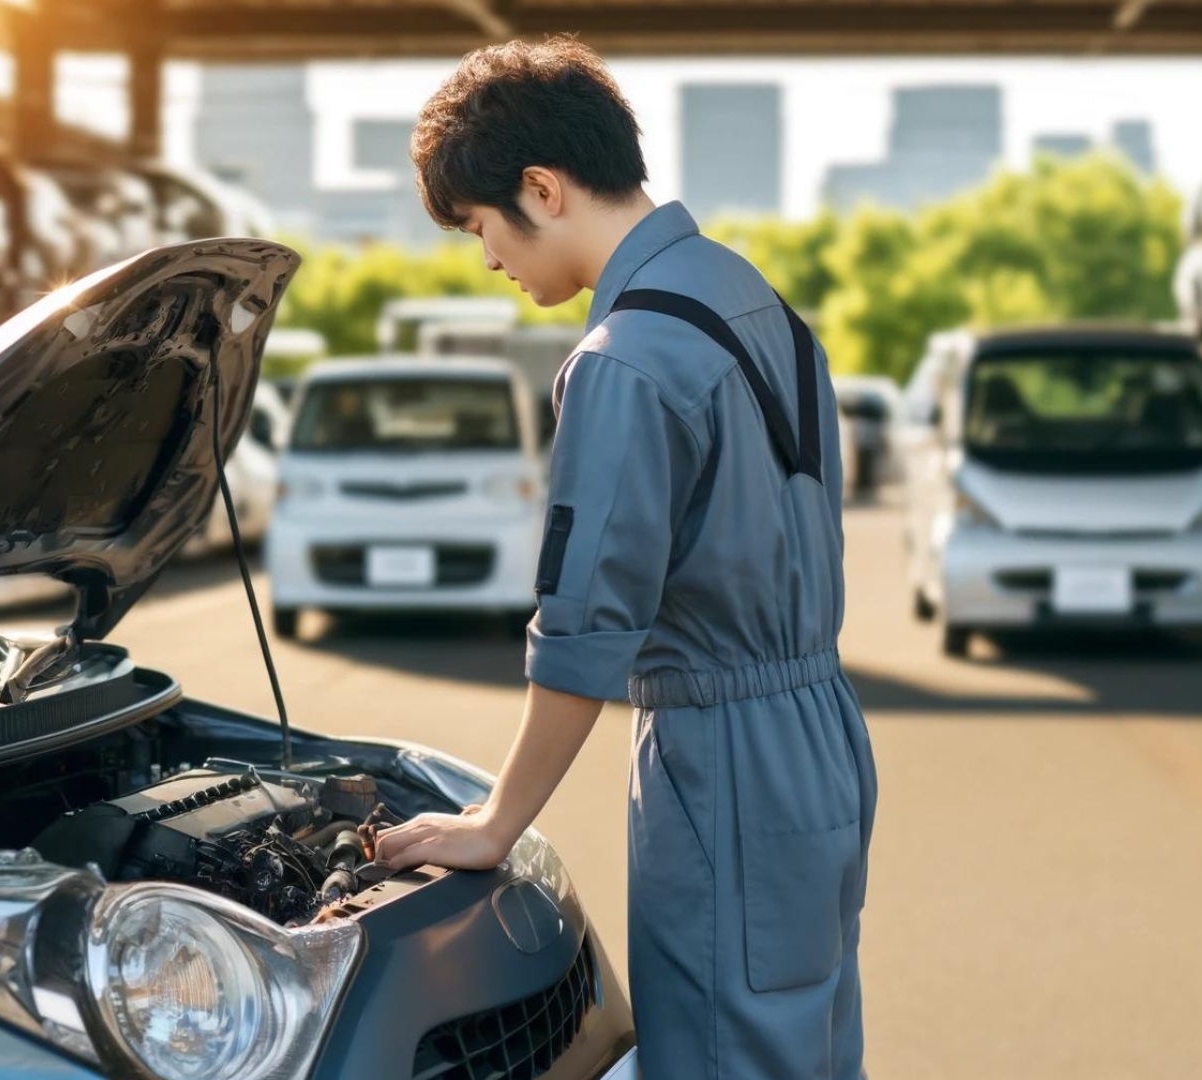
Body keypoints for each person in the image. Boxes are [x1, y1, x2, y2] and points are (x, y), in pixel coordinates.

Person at [369, 37, 878, 1080]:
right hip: (822, 734)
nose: (489, 261)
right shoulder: (755, 300)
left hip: (724, 759)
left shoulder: (623, 361)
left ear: (542, 189)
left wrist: (495, 821)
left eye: (479, 227)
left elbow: (585, 634)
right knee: (807, 1048)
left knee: (718, 1058)